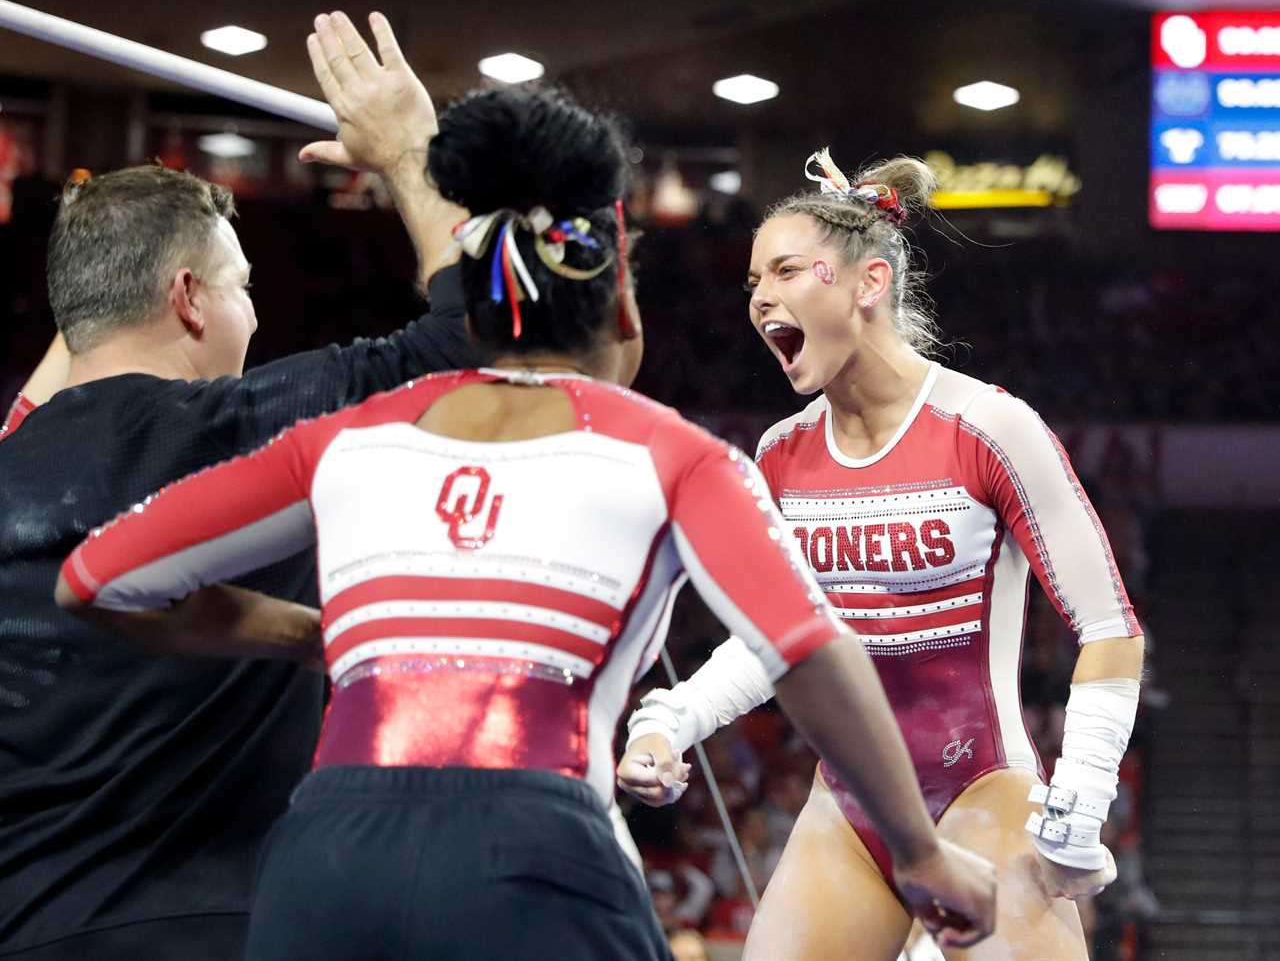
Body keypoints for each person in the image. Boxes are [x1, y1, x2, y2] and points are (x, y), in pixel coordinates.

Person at [55, 89, 996, 961]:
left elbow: (95, 580)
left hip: (323, 868)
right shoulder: (672, 455)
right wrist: (919, 853)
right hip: (539, 856)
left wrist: (310, 639)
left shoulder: (345, 438)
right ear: (619, 297)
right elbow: (808, 647)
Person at [0, 13, 476, 961]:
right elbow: (482, 341)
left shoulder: (12, 460)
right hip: (204, 930)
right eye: (242, 285)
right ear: (187, 298)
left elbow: (77, 334)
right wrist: (410, 153)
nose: (253, 312)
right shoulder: (229, 433)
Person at [620, 149, 1146, 960]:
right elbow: (778, 637)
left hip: (987, 788)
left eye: (788, 271)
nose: (761, 298)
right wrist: (673, 719)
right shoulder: (783, 453)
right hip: (851, 802)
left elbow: (1111, 626)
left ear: (869, 283)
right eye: (753, 281)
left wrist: (1079, 798)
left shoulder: (990, 428)